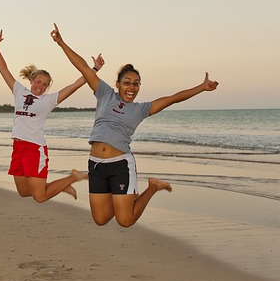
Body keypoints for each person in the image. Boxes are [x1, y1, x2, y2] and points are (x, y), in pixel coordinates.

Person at [51, 23, 219, 227]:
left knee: (125, 220)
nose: (132, 87)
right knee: (101, 219)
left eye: (136, 83)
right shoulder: (104, 93)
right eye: (127, 82)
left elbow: (173, 98)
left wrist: (201, 87)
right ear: (118, 84)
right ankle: (123, 196)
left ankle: (152, 187)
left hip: (120, 164)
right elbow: (84, 67)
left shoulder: (140, 109)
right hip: (95, 164)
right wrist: (61, 43)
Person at [0, 29, 103, 203]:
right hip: (18, 147)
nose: (40, 87)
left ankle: (72, 177)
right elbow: (3, 69)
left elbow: (75, 85)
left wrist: (95, 68)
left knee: (40, 196)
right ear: (31, 80)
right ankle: (61, 185)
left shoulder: (49, 100)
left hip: (34, 149)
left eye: (45, 85)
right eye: (38, 82)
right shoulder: (19, 91)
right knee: (23, 191)